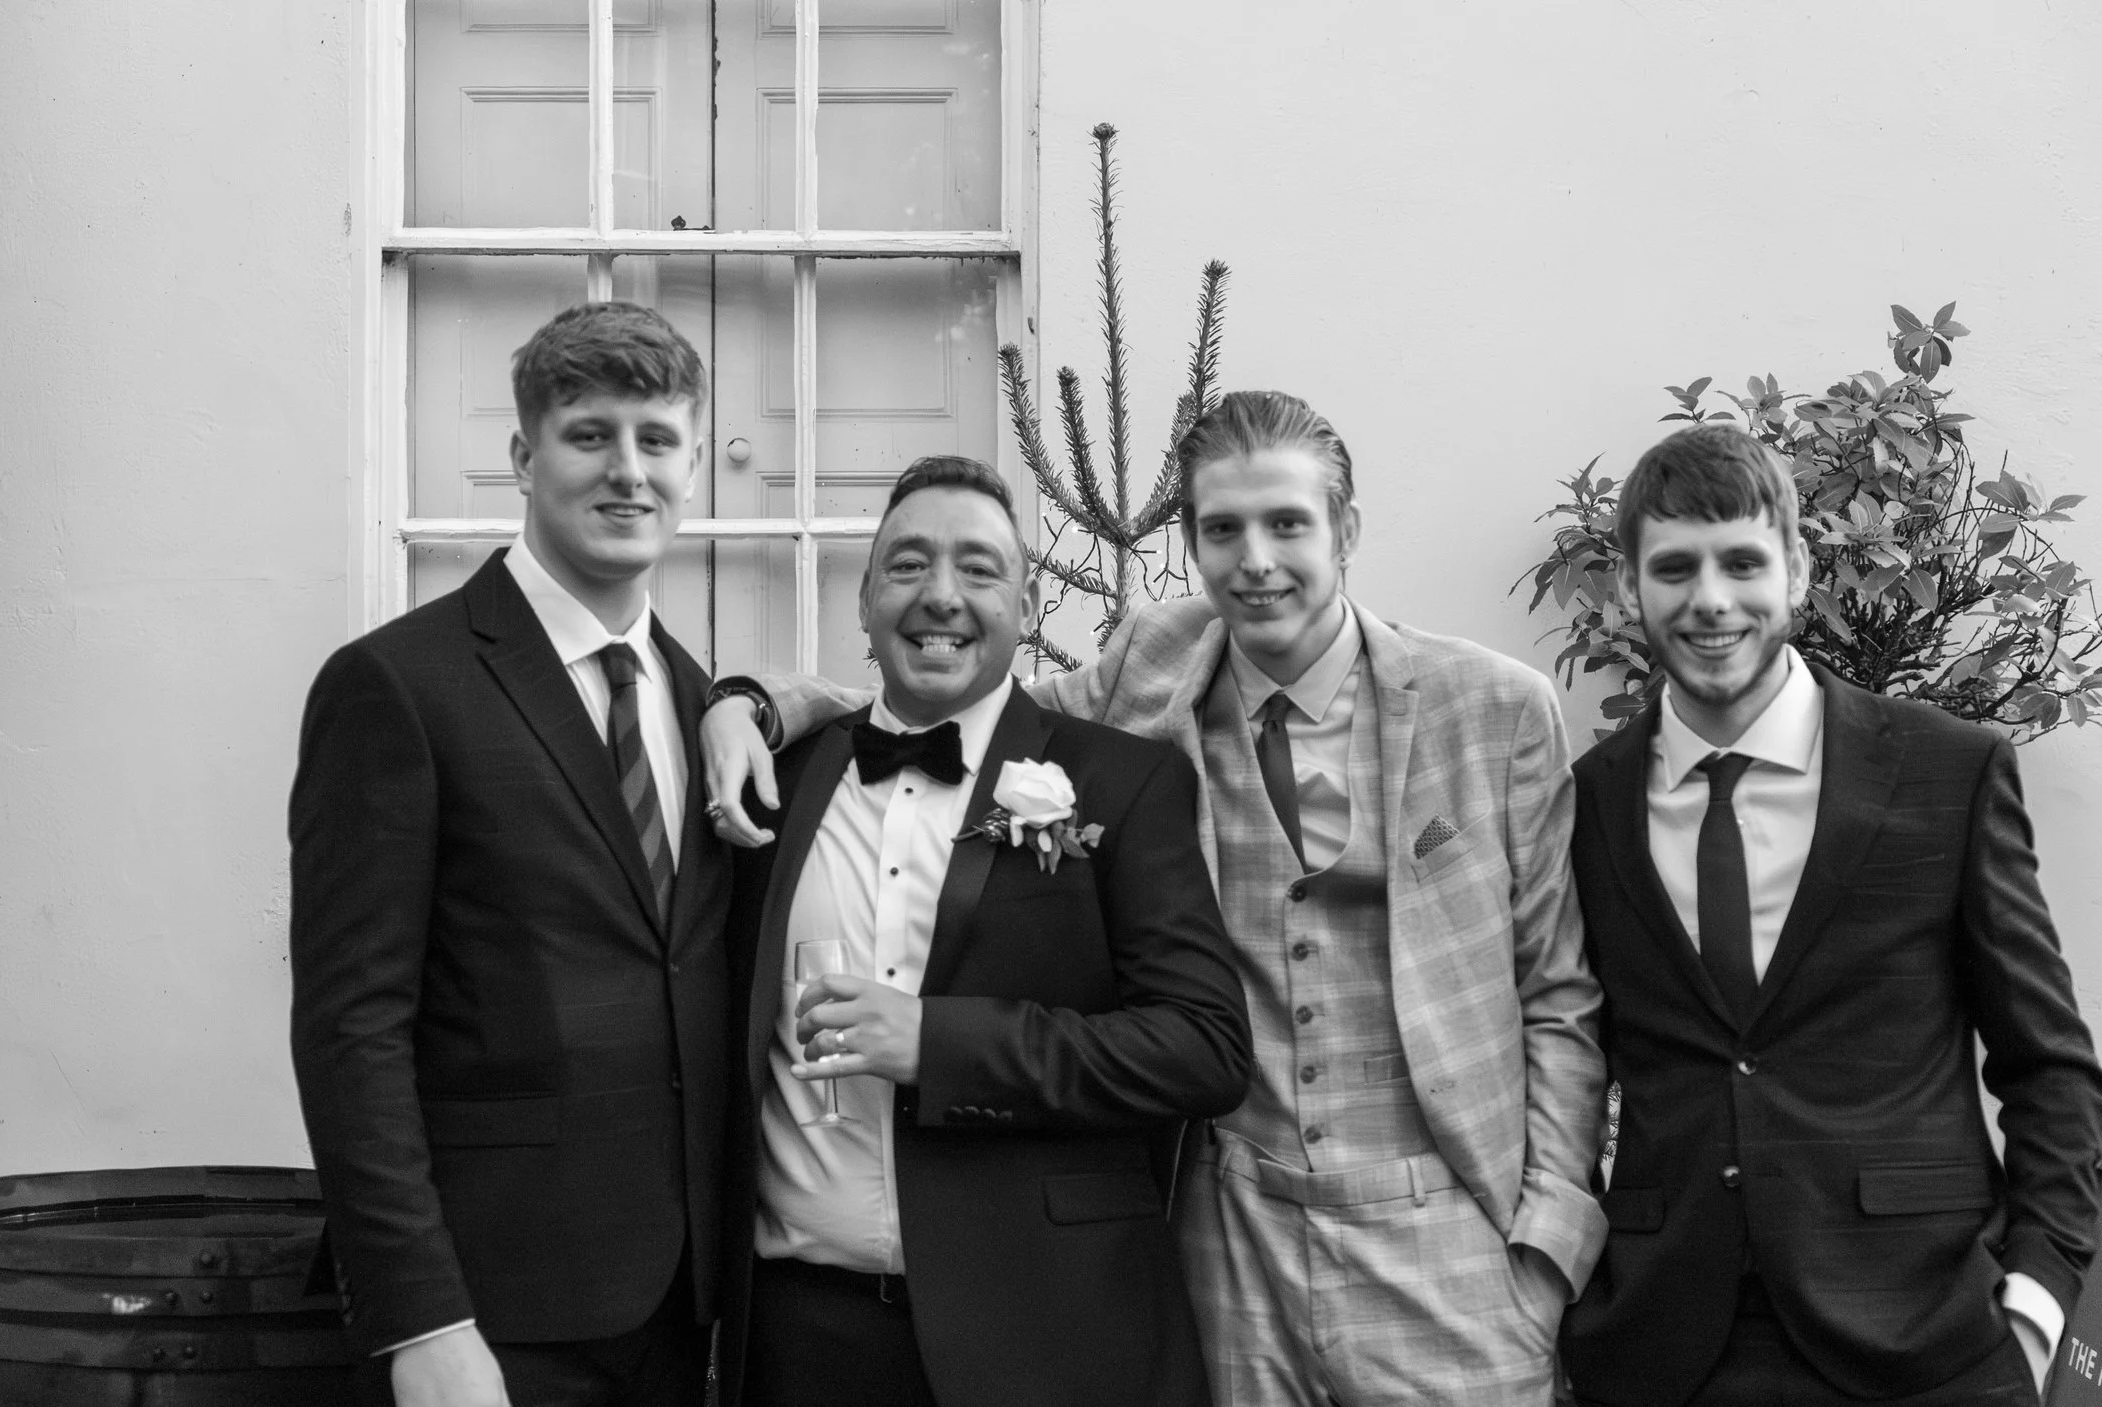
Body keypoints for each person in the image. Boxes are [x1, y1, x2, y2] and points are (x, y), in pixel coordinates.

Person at [705, 393, 1605, 1405]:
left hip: (1446, 1233)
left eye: (1287, 524)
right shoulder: (1152, 664)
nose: (1254, 561)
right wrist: (750, 705)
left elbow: (1556, 992)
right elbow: (946, 705)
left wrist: (1549, 1241)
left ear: (1345, 530)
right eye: (1222, 529)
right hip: (1232, 1239)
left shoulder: (1492, 706)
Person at [1560, 424, 2102, 1407]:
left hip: (1927, 1344)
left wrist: (2036, 1300)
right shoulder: (1586, 802)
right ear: (1631, 588)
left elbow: (2049, 1065)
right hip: (1662, 1351)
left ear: (1800, 570)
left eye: (1742, 562)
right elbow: (1559, 1057)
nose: (1710, 599)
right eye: (1674, 568)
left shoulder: (1947, 772)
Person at [715, 454, 1250, 1407]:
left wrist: (940, 1043)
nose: (941, 595)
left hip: (1051, 1333)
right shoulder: (773, 786)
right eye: (908, 564)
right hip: (803, 1341)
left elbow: (1203, 1049)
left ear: (1026, 602)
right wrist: (734, 700)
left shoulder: (1123, 782)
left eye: (978, 567)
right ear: (865, 598)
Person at [289, 301, 731, 1407]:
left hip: (686, 1313)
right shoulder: (397, 685)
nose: (628, 470)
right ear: (524, 457)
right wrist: (421, 1320)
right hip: (490, 1321)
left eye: (658, 439)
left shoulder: (699, 700)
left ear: (692, 466)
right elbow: (351, 1028)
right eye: (590, 435)